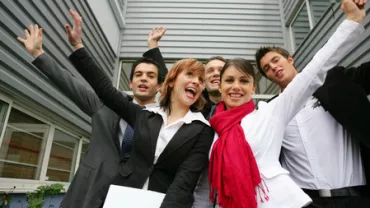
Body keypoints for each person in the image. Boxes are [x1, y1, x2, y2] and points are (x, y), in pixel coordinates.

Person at [194, 0, 366, 207]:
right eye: (229, 81)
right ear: (219, 87)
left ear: (254, 88)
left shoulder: (270, 112)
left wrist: (351, 21)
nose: (236, 87)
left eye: (244, 80)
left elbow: (315, 69)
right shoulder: (211, 129)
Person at [59, 9, 215, 208]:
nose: (196, 81)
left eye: (200, 80)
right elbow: (105, 90)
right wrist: (77, 46)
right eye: (190, 75)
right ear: (172, 81)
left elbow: (186, 180)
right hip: (121, 199)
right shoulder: (145, 116)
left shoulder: (203, 130)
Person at [17, 17, 168, 208]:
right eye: (138, 75)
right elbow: (70, 84)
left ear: (160, 86)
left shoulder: (165, 120)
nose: (143, 79)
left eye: (151, 76)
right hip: (89, 191)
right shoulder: (104, 105)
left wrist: (153, 46)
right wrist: (39, 54)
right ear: (130, 83)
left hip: (134, 196)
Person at [255, 17, 370, 208]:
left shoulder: (334, 81)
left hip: (356, 197)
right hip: (306, 202)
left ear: (290, 59)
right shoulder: (271, 111)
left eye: (276, 60)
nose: (273, 67)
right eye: (267, 68)